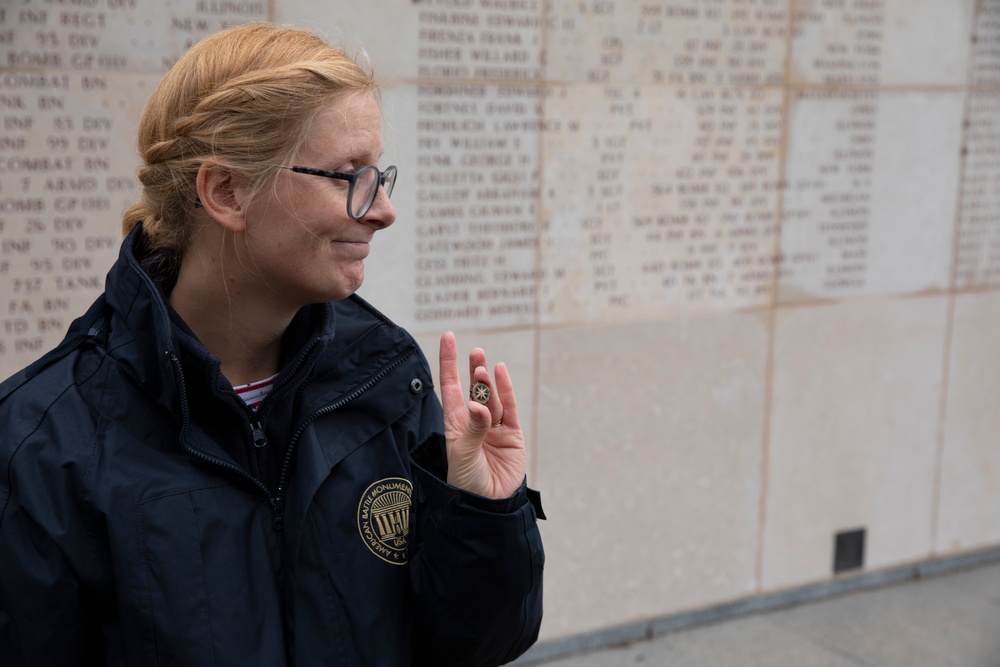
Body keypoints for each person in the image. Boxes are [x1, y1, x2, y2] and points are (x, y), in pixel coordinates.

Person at [0, 22, 544, 666]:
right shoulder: (40, 443)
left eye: (378, 174)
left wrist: (481, 509)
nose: (384, 210)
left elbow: (473, 644)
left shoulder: (390, 379)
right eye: (348, 176)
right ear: (226, 191)